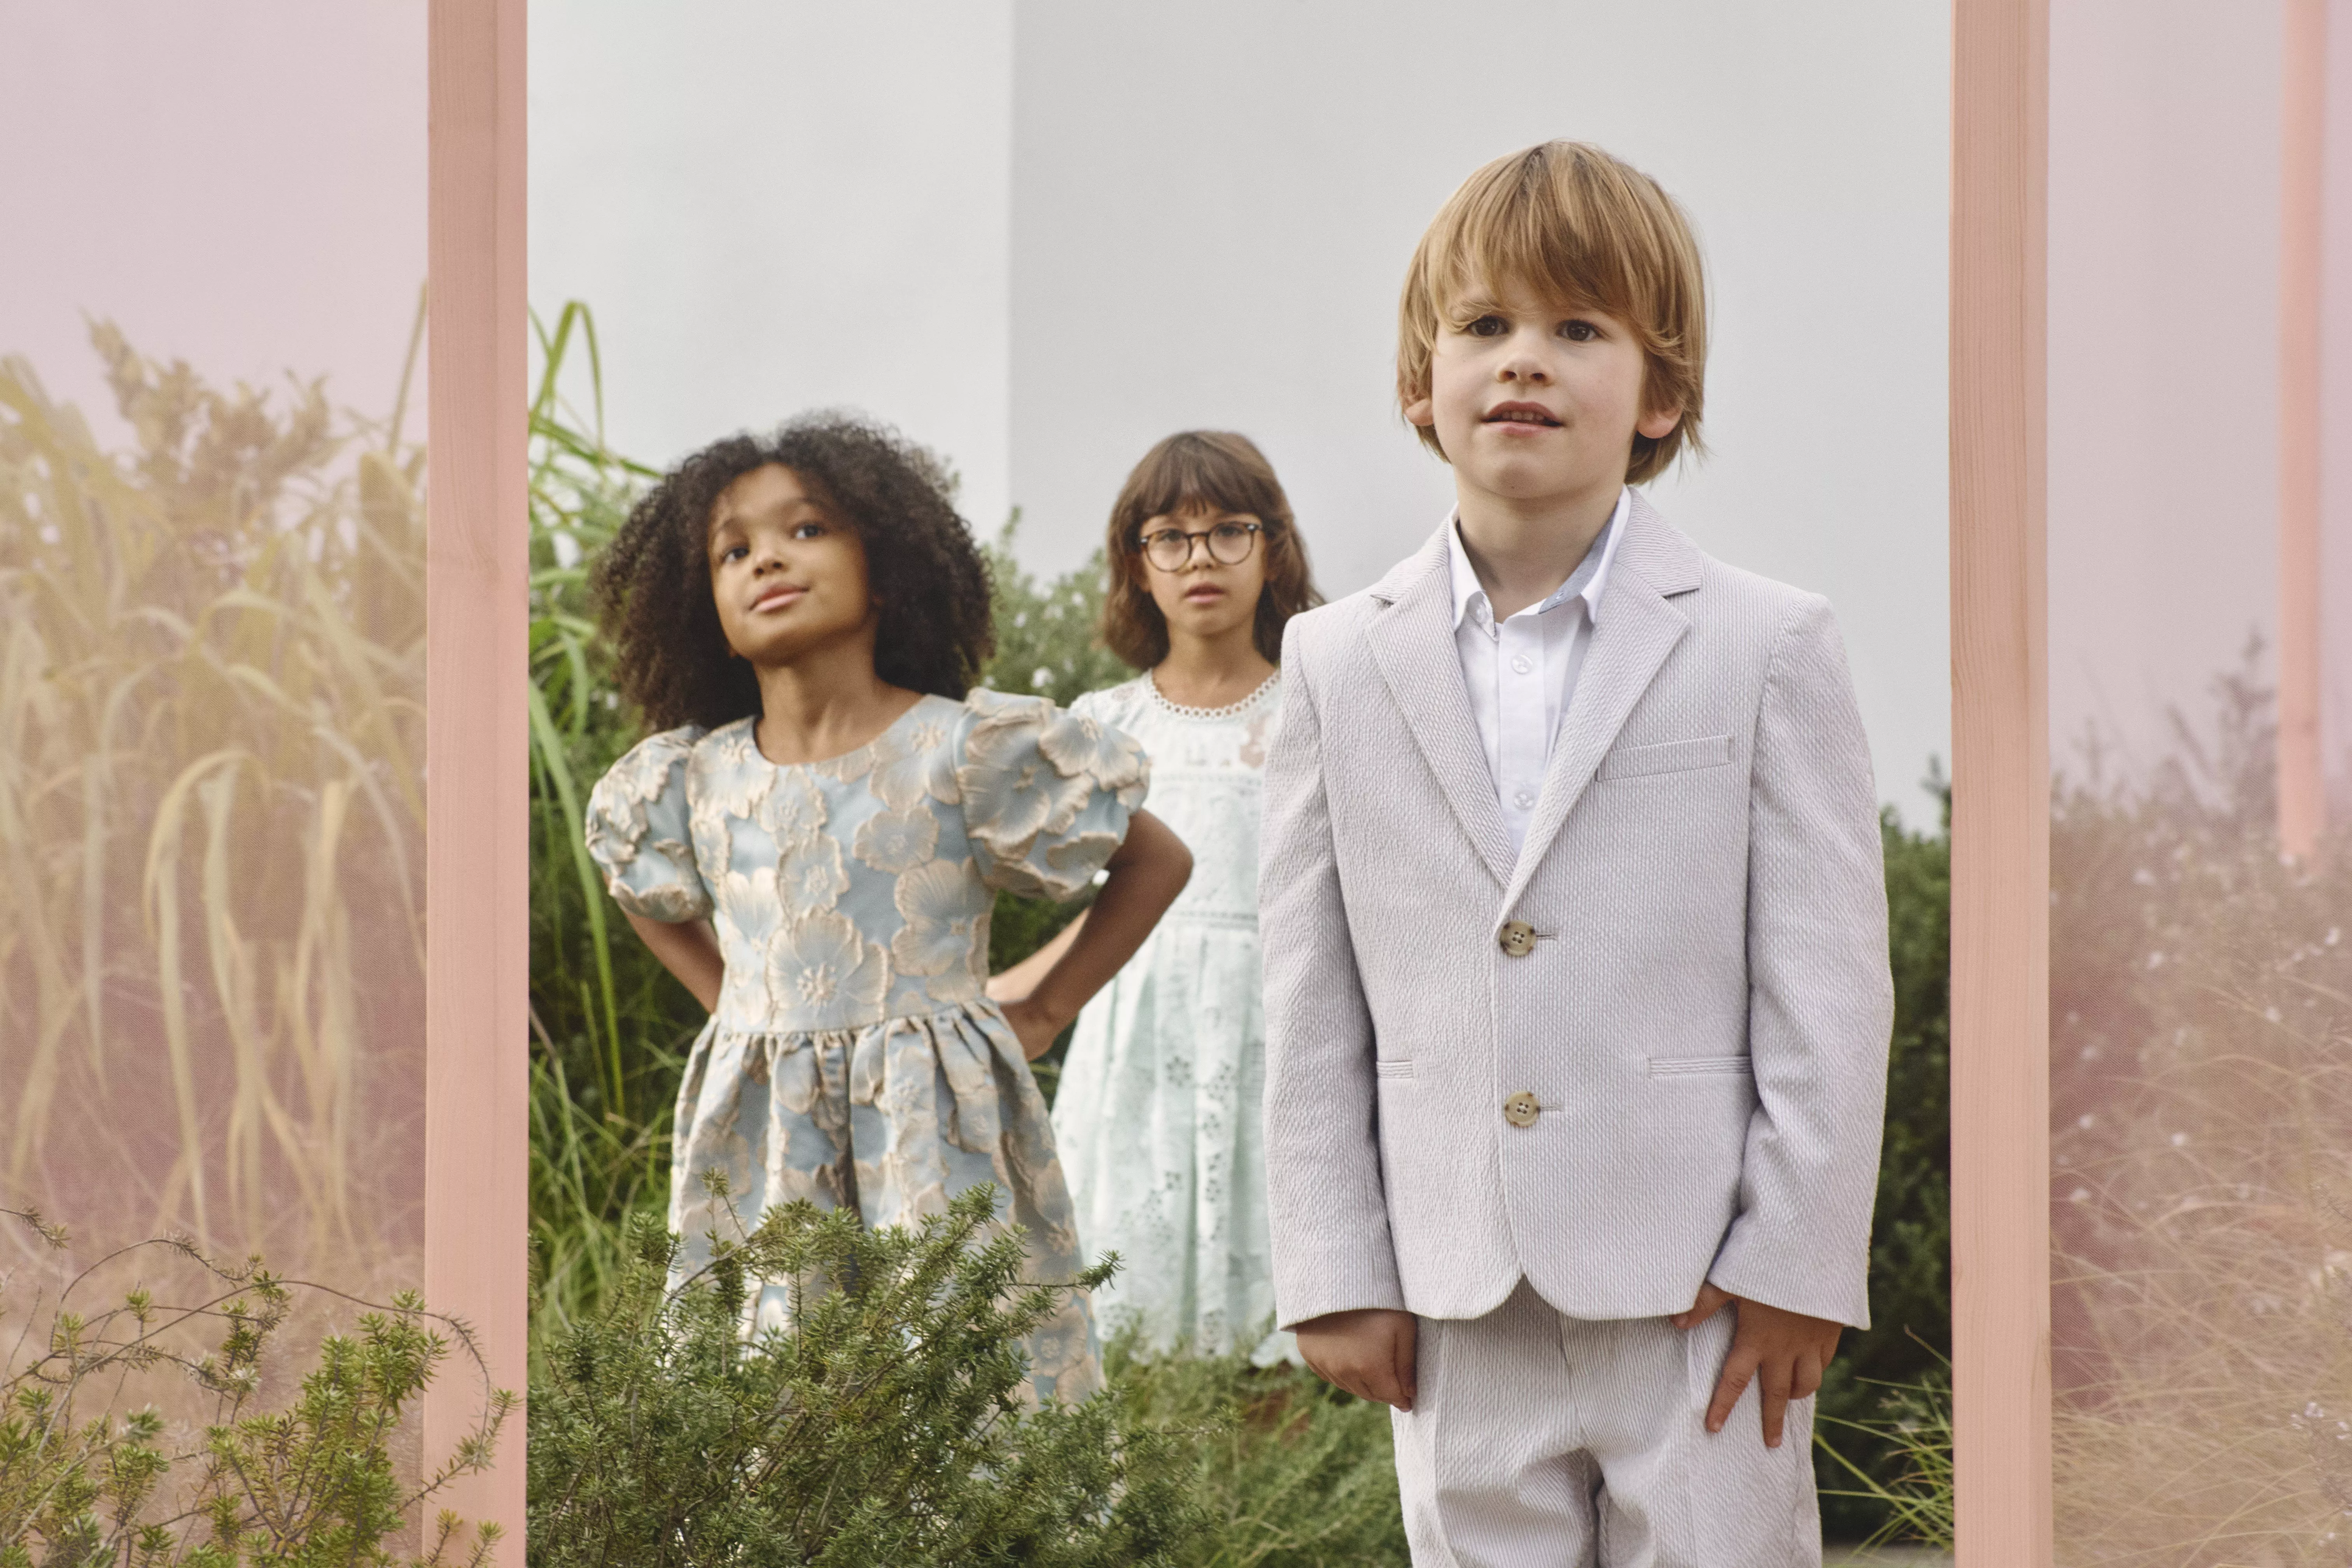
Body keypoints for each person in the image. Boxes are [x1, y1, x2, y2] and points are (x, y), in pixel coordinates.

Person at [1260, 141, 1893, 1564]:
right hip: (1448, 1300)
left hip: (1704, 1295)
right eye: (1481, 326)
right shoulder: (1330, 662)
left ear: (1659, 391)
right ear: (1419, 382)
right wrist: (1331, 1266)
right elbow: (1307, 998)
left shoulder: (1763, 642)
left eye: (1575, 327)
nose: (1521, 362)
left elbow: (1828, 983)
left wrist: (1793, 1264)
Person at [583, 412, 1192, 1405]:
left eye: (806, 530)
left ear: (890, 566)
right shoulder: (691, 780)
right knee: (773, 1392)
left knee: (959, 1374)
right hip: (767, 1139)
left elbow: (1156, 860)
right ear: (703, 605)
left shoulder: (967, 748)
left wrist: (1042, 1008)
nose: (767, 559)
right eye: (734, 550)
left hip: (934, 1125)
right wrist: (735, 1005)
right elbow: (640, 890)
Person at [990, 431, 1323, 1363]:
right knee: (1125, 1317)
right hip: (1138, 1032)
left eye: (1228, 532)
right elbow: (1108, 914)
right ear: (1137, 565)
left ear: (1274, 548)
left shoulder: (1318, 707)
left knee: (1281, 1324)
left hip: (1276, 1028)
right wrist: (997, 998)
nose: (1200, 560)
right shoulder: (1104, 728)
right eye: (1170, 537)